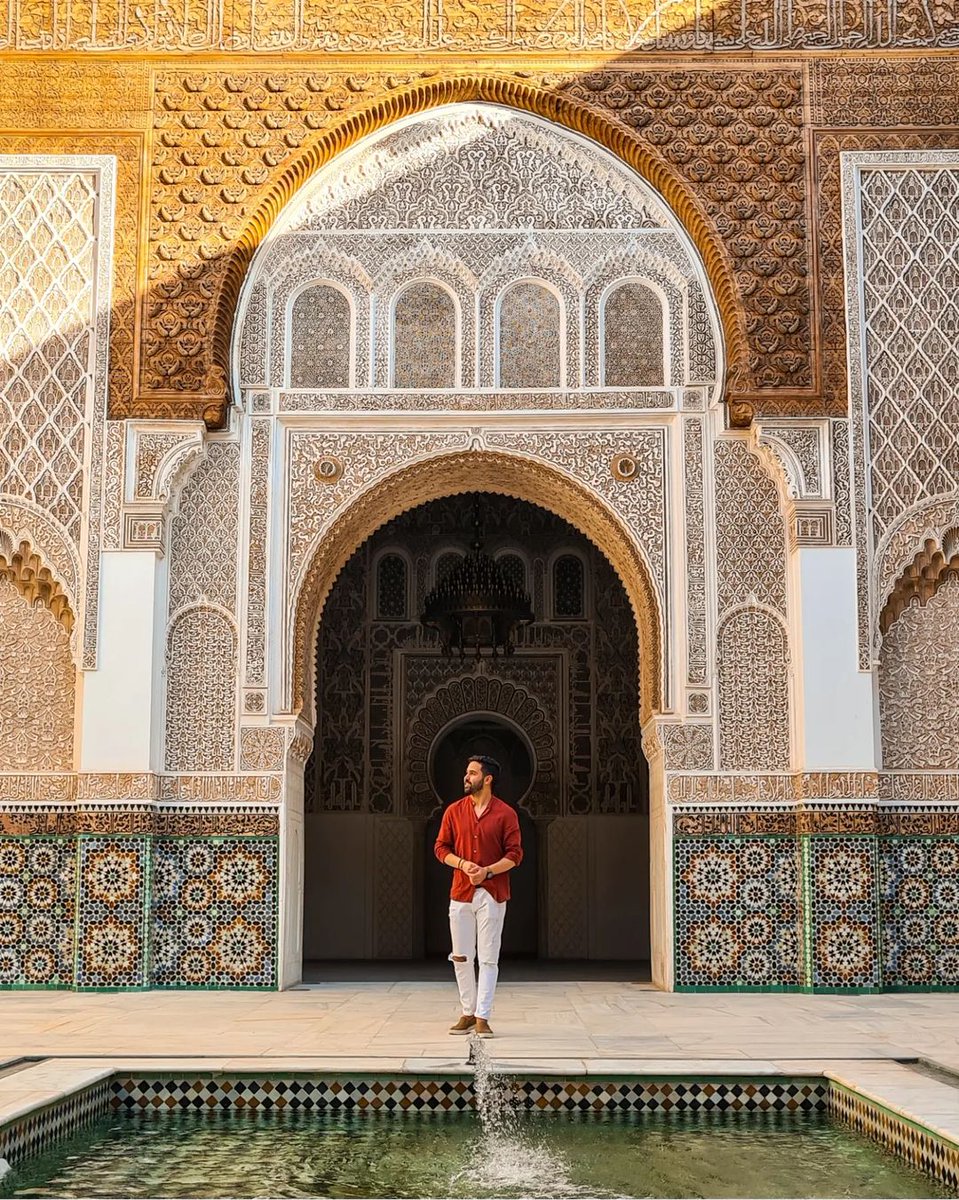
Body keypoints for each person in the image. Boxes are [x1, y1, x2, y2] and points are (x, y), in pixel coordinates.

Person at [433, 755, 523, 1038]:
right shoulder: (454, 811)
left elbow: (515, 855)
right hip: (460, 892)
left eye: (472, 773)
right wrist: (462, 864)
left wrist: (487, 872)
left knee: (487, 957)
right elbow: (440, 848)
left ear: (487, 779)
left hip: (492, 894)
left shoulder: (506, 813)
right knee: (460, 956)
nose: (466, 777)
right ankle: (467, 1013)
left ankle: (483, 1016)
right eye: (466, 772)